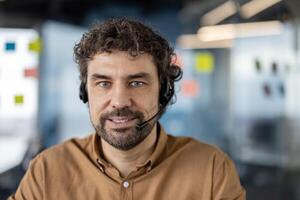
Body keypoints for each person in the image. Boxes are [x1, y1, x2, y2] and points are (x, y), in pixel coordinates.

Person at [8, 18, 245, 200]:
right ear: (85, 92)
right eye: (103, 83)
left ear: (164, 91)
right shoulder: (48, 170)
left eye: (137, 83)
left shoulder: (212, 170)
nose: (119, 101)